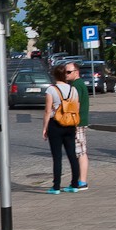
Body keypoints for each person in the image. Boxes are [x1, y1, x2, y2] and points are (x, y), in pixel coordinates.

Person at [42, 63, 80, 194]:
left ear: (54, 75)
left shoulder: (51, 90)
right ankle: (74, 184)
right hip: (70, 125)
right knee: (72, 155)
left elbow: (47, 111)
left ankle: (56, 186)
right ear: (65, 75)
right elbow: (76, 108)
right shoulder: (73, 90)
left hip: (55, 124)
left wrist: (45, 128)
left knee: (57, 156)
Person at [65, 61, 90, 190]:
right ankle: (81, 181)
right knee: (81, 151)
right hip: (80, 121)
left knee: (80, 152)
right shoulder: (78, 84)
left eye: (69, 72)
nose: (66, 74)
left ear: (76, 72)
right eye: (65, 72)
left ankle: (81, 182)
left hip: (77, 122)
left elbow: (76, 105)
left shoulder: (76, 85)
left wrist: (71, 122)